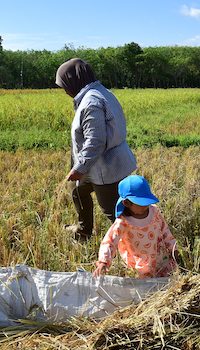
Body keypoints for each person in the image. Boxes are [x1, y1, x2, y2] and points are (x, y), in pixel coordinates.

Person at [55, 58, 137, 242]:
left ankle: (136, 249)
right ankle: (84, 231)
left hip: (105, 168)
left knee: (113, 213)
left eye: (64, 85)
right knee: (77, 190)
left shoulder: (92, 101)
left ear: (74, 81)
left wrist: (79, 168)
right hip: (94, 166)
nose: (65, 91)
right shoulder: (99, 93)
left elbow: (96, 141)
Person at [93, 175, 178, 279]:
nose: (145, 206)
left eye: (147, 202)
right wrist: (104, 261)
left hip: (162, 260)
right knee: (147, 290)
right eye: (141, 204)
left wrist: (173, 248)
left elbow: (165, 231)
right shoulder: (123, 222)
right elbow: (110, 241)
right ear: (126, 203)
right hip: (141, 267)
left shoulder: (154, 212)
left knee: (167, 284)